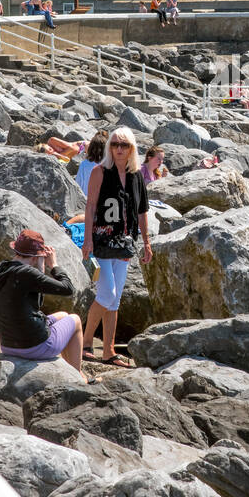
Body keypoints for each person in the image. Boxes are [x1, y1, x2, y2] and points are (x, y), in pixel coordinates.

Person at [80, 128, 152, 367]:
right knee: (107, 294)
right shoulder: (100, 172)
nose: (119, 149)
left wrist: (147, 243)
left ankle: (108, 350)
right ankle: (86, 341)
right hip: (101, 241)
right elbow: (90, 207)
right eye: (114, 144)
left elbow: (142, 212)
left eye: (124, 145)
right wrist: (87, 240)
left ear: (132, 148)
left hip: (125, 243)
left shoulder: (136, 176)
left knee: (116, 299)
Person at [0, 230, 83, 371]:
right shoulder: (27, 273)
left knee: (63, 315)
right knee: (75, 320)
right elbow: (68, 288)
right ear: (35, 257)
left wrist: (40, 268)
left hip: (8, 345)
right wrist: (54, 265)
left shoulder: (1, 269)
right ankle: (78, 375)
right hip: (33, 347)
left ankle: (69, 368)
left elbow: (35, 305)